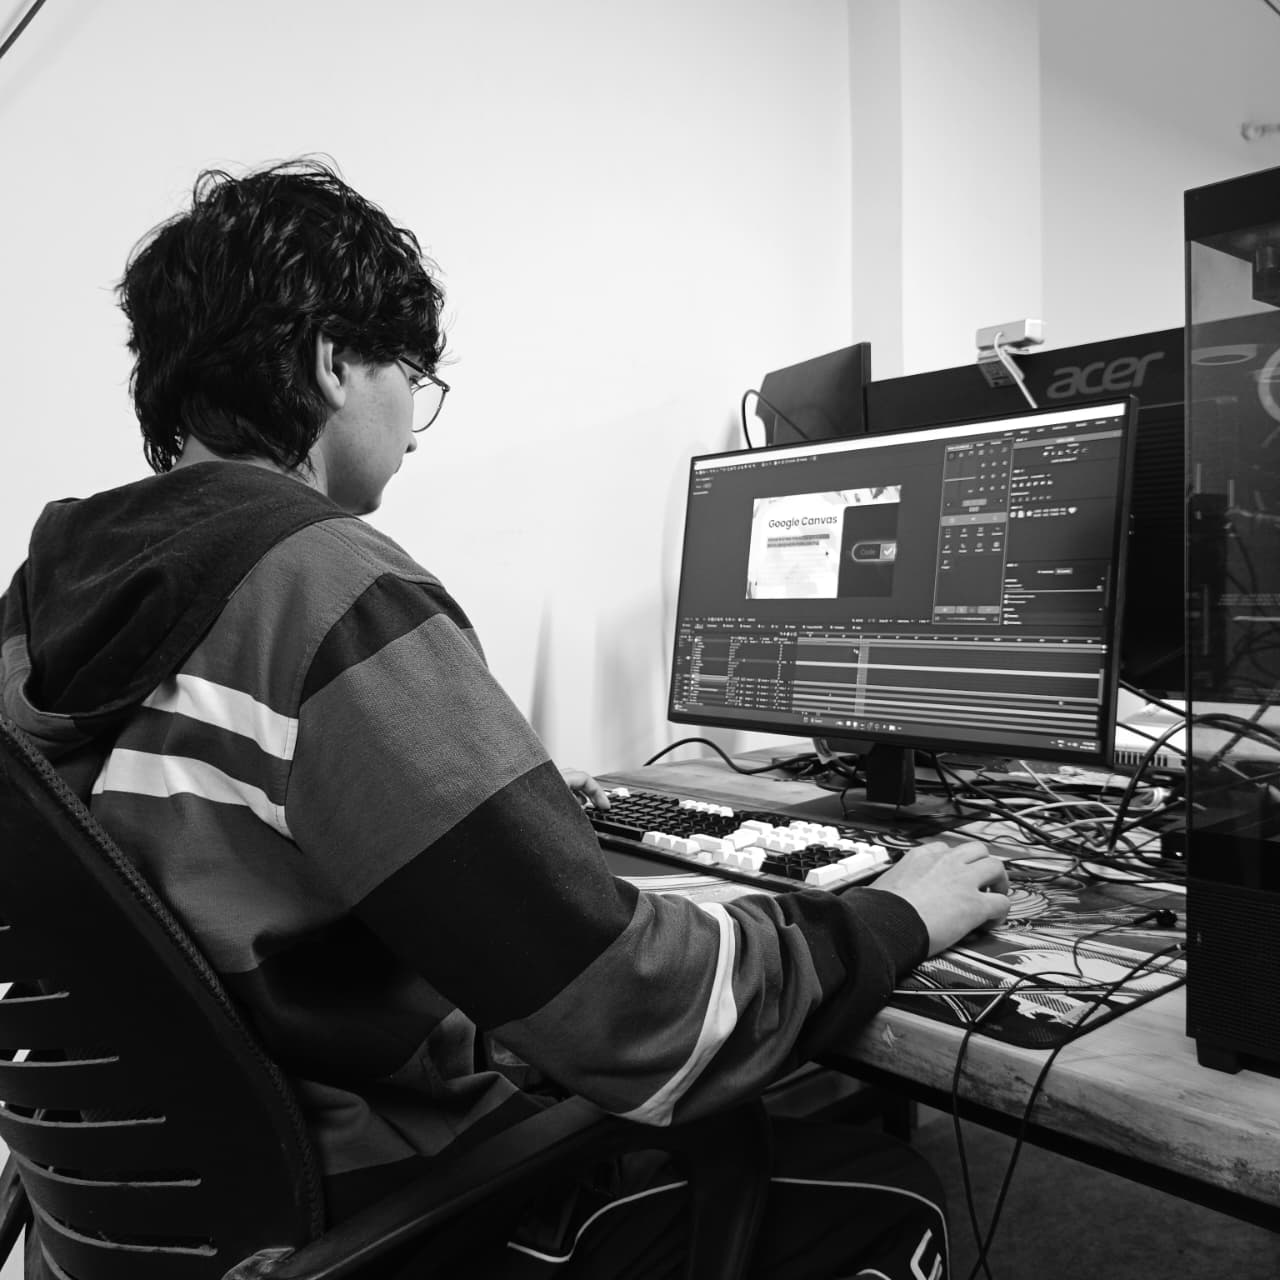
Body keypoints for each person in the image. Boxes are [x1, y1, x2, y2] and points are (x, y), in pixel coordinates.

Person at [0, 159, 1009, 1278]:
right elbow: (638, 1015)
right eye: (411, 377)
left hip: (131, 1229)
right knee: (885, 1193)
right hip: (366, 1216)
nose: (415, 427)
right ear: (332, 361)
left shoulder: (50, 595)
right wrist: (890, 920)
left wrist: (516, 842)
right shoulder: (320, 587)